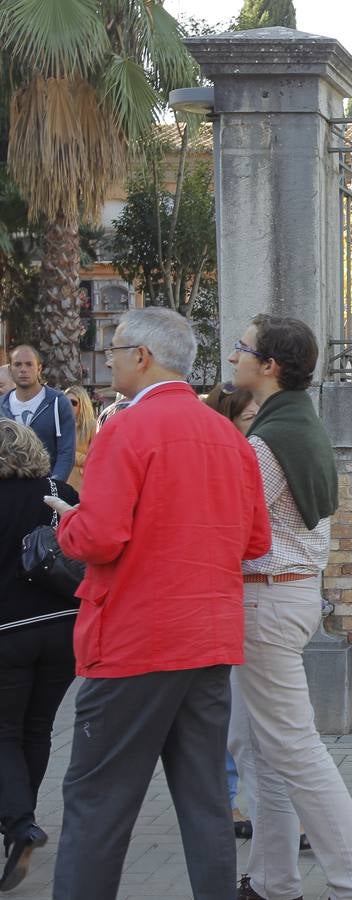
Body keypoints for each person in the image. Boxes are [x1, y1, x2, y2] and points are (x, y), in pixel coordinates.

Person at [45, 307, 271, 900]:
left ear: (141, 357)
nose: (112, 359)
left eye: (116, 349)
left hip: (133, 642)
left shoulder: (125, 429)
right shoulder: (231, 438)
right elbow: (255, 542)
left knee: (97, 804)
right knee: (205, 802)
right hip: (207, 640)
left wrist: (69, 525)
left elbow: (98, 539)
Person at [227, 315, 352, 900]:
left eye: (243, 349)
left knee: (293, 748)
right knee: (256, 744)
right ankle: (272, 881)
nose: (233, 356)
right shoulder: (294, 421)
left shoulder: (268, 442)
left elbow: (230, 525)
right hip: (285, 595)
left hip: (268, 601)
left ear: (269, 366)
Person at [0, 421, 79, 891]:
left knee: (3, 730)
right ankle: (19, 824)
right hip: (64, 629)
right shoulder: (60, 488)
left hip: (7, 632)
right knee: (37, 728)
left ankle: (20, 823)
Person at [202, 382, 260, 841]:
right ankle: (227, 800)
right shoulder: (224, 464)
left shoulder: (255, 458)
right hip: (221, 598)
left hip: (243, 595)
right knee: (226, 707)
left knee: (241, 710)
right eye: (247, 418)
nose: (256, 424)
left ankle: (241, 799)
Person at [0, 345, 75, 482]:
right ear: (10, 370)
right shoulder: (2, 405)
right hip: (7, 490)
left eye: (29, 364)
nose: (23, 369)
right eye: (18, 365)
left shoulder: (58, 403)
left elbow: (66, 452)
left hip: (45, 488)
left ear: (39, 368)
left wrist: (54, 487)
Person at [62, 385, 96, 491]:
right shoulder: (57, 425)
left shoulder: (91, 426)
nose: (69, 406)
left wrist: (70, 454)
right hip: (60, 481)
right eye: (66, 402)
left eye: (74, 402)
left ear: (83, 405)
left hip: (80, 483)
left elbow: (96, 458)